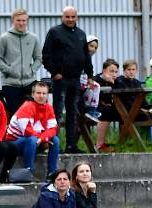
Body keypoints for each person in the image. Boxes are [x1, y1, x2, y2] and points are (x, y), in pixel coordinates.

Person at [42, 6, 92, 153]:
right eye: (67, 17)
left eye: (73, 17)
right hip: (61, 79)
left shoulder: (81, 34)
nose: (70, 20)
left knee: (73, 112)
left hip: (76, 79)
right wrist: (54, 72)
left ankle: (71, 145)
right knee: (57, 113)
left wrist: (90, 75)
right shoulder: (55, 32)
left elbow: (86, 56)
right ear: (62, 17)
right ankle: (54, 145)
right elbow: (46, 54)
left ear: (77, 17)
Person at [0, 7, 43, 117]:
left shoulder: (33, 38)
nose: (21, 23)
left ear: (27, 21)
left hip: (29, 83)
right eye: (18, 20)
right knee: (15, 116)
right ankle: (16, 135)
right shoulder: (4, 38)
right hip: (10, 84)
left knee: (33, 114)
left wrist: (31, 70)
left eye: (24, 20)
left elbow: (39, 58)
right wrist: (10, 71)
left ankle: (33, 135)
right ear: (13, 21)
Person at [6, 81, 60, 178]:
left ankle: (52, 173)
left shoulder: (49, 107)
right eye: (38, 93)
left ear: (47, 95)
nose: (41, 96)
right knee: (31, 139)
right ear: (33, 94)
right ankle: (28, 172)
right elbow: (27, 131)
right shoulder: (27, 107)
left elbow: (53, 129)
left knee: (55, 140)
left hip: (36, 142)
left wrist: (43, 139)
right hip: (14, 144)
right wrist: (43, 139)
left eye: (44, 93)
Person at [93, 59, 121, 152]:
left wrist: (113, 83)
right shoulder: (96, 80)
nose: (114, 74)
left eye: (116, 72)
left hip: (110, 106)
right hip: (95, 107)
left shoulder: (116, 81)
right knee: (105, 112)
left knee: (125, 114)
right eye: (111, 71)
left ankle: (122, 144)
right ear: (104, 70)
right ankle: (99, 144)